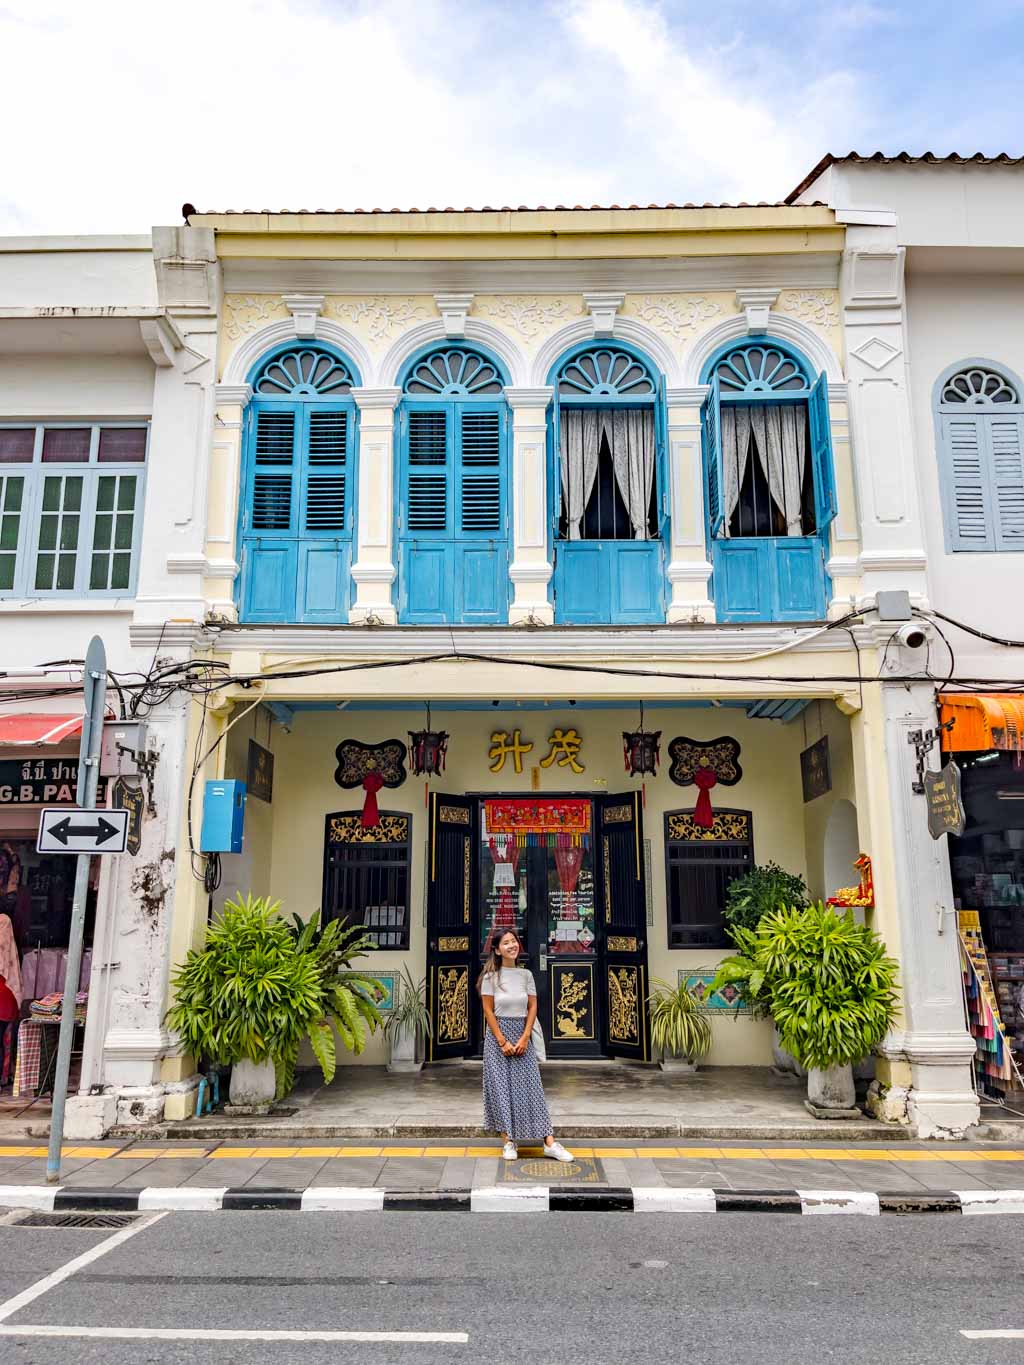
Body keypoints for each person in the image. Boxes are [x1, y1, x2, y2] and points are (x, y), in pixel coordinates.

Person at [478, 928, 573, 1162]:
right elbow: (488, 1011)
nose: (512, 945)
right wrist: (502, 1040)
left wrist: (524, 1037)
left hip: (522, 1035)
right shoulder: (490, 977)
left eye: (514, 941)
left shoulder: (526, 975)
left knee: (532, 1089)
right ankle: (508, 1141)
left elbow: (532, 1007)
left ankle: (549, 1142)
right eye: (506, 943)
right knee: (500, 1090)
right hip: (497, 1038)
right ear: (497, 950)